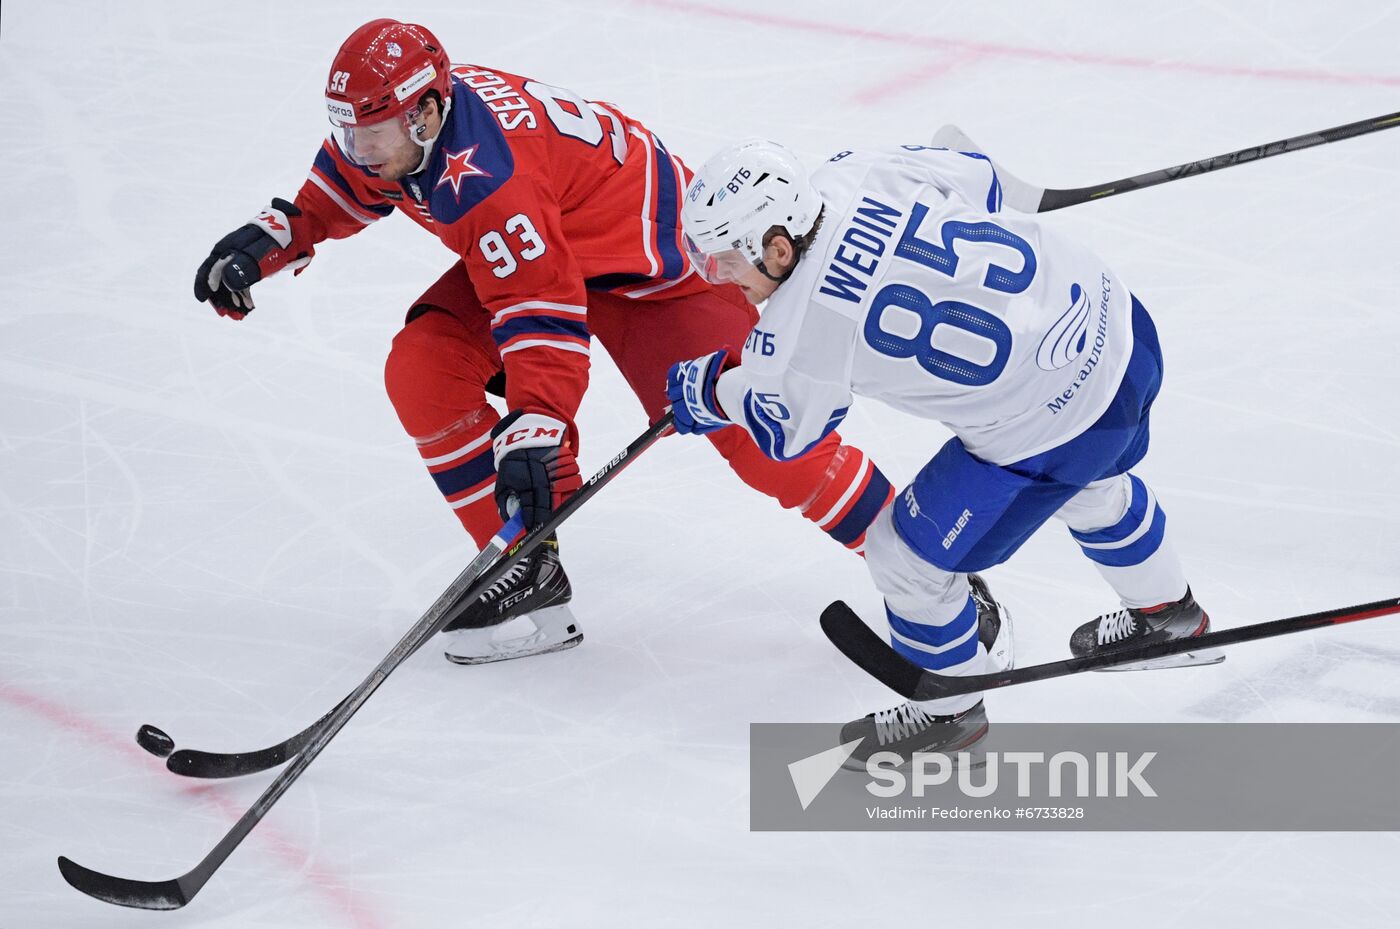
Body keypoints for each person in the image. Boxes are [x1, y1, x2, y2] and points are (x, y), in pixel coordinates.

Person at [193, 20, 895, 663]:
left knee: (771, 443)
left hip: (665, 274)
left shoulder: (492, 179)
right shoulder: (405, 126)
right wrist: (278, 238)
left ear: (427, 113)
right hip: (559, 252)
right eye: (348, 130)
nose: (358, 149)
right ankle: (524, 567)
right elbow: (348, 191)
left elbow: (542, 309)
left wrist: (539, 426)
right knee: (424, 367)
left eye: (370, 132)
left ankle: (920, 566)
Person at [666, 139, 1218, 765]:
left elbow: (786, 434)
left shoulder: (801, 333)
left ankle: (950, 716)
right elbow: (979, 173)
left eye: (724, 263)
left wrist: (714, 391)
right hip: (1118, 326)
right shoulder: (860, 171)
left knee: (903, 558)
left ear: (777, 247)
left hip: (1062, 420)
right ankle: (1168, 615)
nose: (720, 279)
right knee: (1089, 479)